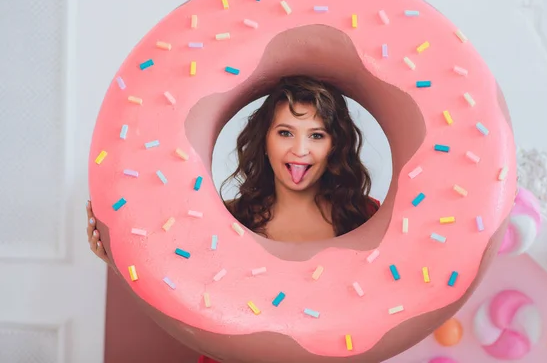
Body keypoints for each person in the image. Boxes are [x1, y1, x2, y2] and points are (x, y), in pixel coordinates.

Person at [86, 75, 380, 362]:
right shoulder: (226, 220)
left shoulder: (366, 219)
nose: (300, 150)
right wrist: (117, 257)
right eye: (285, 132)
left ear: (334, 145)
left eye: (316, 135)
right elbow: (179, 293)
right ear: (265, 139)